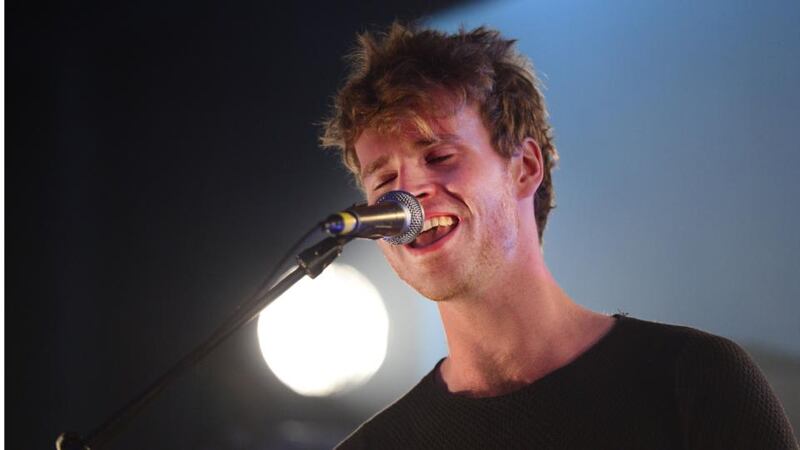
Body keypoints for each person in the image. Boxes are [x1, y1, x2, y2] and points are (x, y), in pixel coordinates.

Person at [321, 23, 798, 449]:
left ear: (525, 168)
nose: (408, 192)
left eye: (440, 156)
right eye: (383, 181)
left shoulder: (694, 378)